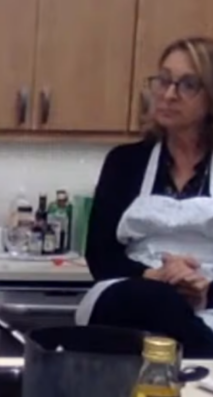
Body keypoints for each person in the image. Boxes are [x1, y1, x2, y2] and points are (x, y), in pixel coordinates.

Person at [78, 36, 213, 358]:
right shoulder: (125, 162)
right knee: (151, 297)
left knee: (164, 307)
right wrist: (154, 276)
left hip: (207, 302)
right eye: (163, 81)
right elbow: (100, 255)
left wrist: (203, 291)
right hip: (129, 291)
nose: (168, 95)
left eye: (187, 85)